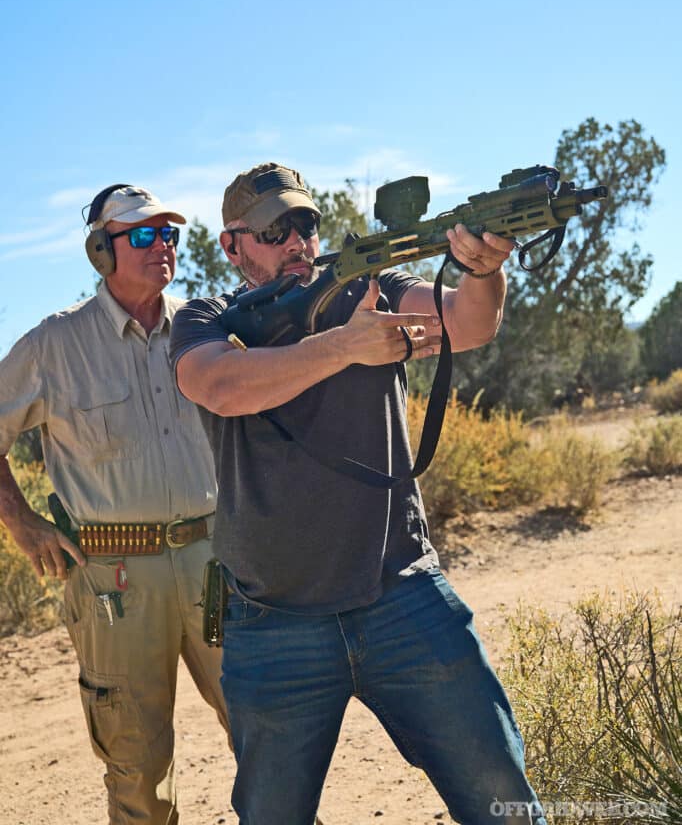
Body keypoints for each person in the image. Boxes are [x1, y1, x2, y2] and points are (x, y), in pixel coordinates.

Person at [170, 162, 547, 825]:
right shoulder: (209, 317)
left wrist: (482, 268)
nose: (294, 242)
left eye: (305, 225)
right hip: (273, 622)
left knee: (506, 804)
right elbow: (221, 386)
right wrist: (343, 348)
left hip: (402, 596)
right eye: (272, 231)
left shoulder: (368, 291)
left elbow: (467, 323)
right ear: (232, 246)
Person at [0, 184, 230, 825]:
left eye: (169, 235)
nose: (163, 247)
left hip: (218, 566)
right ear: (101, 250)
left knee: (271, 729)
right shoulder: (55, 345)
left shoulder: (203, 328)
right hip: (113, 582)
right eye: (143, 235)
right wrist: (21, 522)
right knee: (136, 766)